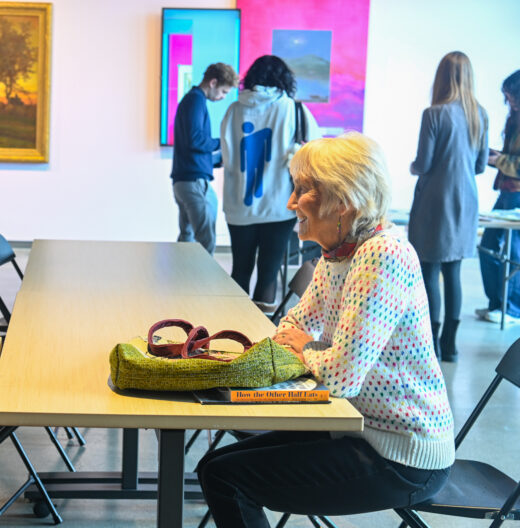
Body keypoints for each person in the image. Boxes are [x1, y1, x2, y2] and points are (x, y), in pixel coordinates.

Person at [197, 134, 454, 528]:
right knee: (213, 464)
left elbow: (341, 376)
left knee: (224, 478)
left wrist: (307, 349)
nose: (290, 202)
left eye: (302, 190)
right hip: (356, 430)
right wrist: (311, 348)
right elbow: (293, 325)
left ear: (343, 202)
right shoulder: (340, 253)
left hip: (403, 456)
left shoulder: (382, 255)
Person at [220, 55, 320, 312]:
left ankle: (233, 329)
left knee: (240, 269)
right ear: (283, 79)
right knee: (269, 270)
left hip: (240, 205)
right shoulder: (293, 109)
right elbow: (314, 153)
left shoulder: (233, 110)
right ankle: (260, 336)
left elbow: (228, 158)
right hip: (278, 205)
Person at [408, 51, 488, 362]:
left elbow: (424, 163)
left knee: (429, 269)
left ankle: (433, 343)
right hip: (465, 200)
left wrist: (413, 167)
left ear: (442, 77)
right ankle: (451, 346)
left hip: (434, 201)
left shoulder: (434, 114)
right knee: (454, 271)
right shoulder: (480, 114)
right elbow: (480, 166)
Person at [171, 62, 238, 254]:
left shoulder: (193, 100)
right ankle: (202, 283)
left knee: (187, 237)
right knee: (205, 240)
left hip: (186, 178)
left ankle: (181, 281)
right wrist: (224, 142)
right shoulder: (195, 100)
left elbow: (192, 145)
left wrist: (216, 160)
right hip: (193, 182)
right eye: (223, 92)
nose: (223, 97)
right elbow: (196, 140)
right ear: (213, 82)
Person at [477, 69, 520, 326]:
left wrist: (497, 159)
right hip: (505, 191)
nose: (509, 102)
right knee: (488, 247)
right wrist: (492, 156)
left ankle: (512, 309)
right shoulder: (512, 119)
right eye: (507, 97)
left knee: (515, 253)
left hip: (516, 195)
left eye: (513, 96)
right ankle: (497, 304)